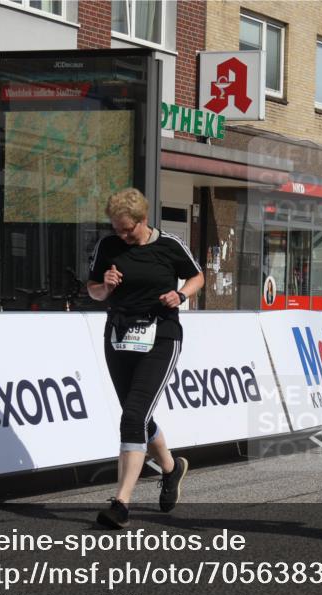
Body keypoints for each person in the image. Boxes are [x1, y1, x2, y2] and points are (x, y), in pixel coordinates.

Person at [87, 188, 205, 529]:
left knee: (134, 415)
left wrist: (180, 294)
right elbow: (92, 289)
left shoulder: (168, 246)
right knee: (135, 414)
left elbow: (197, 276)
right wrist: (105, 286)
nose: (121, 235)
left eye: (127, 230)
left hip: (161, 337)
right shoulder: (109, 247)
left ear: (143, 221)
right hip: (120, 337)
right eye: (117, 229)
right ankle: (170, 468)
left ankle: (121, 502)